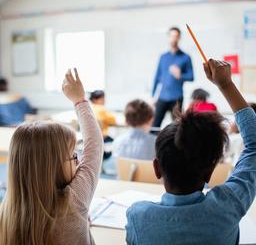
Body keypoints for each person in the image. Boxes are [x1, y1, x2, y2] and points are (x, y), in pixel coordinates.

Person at [126, 59, 256, 245]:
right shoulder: (228, 205)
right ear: (210, 171)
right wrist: (226, 85)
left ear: (157, 167)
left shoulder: (138, 217)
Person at [0, 69, 103, 245]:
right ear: (53, 166)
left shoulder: (6, 213)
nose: (78, 161)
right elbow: (94, 146)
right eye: (73, 156)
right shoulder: (74, 202)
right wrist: (80, 101)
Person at [152, 27, 194, 127]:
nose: (173, 39)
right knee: (154, 126)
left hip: (177, 98)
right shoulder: (163, 57)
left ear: (179, 38)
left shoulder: (185, 57)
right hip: (162, 96)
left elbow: (191, 77)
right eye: (171, 36)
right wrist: (153, 96)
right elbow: (157, 77)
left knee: (177, 127)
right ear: (168, 37)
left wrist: (180, 75)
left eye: (176, 36)